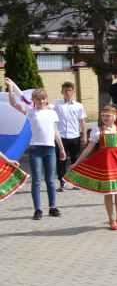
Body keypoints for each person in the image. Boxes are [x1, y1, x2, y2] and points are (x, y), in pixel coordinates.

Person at [6, 81, 65, 219]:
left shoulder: (52, 113)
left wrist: (61, 148)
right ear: (33, 100)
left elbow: (55, 131)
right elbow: (13, 104)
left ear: (47, 99)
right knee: (37, 180)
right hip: (36, 149)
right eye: (38, 99)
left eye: (43, 98)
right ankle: (38, 209)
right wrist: (11, 88)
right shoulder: (31, 112)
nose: (41, 101)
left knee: (50, 180)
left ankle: (52, 207)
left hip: (50, 149)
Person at [54, 82, 87, 192]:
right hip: (61, 136)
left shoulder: (78, 106)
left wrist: (84, 135)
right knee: (61, 160)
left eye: (70, 90)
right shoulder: (57, 105)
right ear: (62, 91)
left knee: (76, 159)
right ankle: (62, 182)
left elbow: (82, 121)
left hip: (74, 136)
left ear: (73, 91)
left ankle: (75, 181)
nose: (68, 92)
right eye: (65, 90)